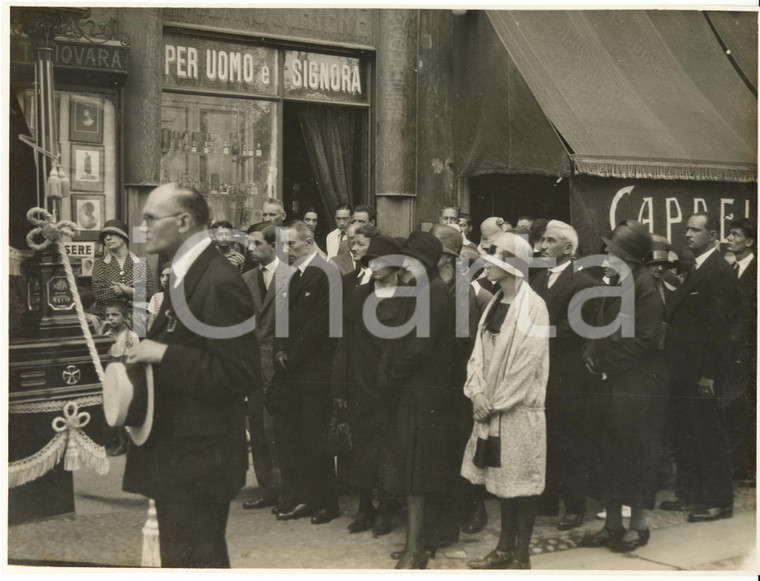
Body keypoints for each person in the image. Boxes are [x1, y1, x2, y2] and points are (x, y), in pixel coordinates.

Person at [123, 183, 260, 568]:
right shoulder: (186, 273)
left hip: (200, 461)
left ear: (183, 221)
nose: (143, 226)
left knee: (198, 561)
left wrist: (163, 352)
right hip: (181, 456)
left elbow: (240, 372)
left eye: (151, 218)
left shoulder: (218, 280)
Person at [462, 231, 549, 570]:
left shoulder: (534, 308)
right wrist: (477, 392)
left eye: (495, 259)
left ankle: (521, 556)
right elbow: (478, 357)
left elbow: (526, 365)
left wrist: (493, 402)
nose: (487, 265)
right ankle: (502, 549)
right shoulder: (496, 302)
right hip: (491, 408)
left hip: (517, 410)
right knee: (500, 484)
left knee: (522, 484)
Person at [579, 220, 667, 553]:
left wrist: (606, 366)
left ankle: (638, 526)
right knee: (608, 453)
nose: (605, 254)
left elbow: (644, 339)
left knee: (635, 454)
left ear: (627, 255)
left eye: (612, 250)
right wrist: (591, 354)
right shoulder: (617, 281)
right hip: (611, 383)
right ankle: (612, 524)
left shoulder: (644, 285)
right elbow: (599, 326)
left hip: (635, 385)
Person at [380, 231, 459, 569]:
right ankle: (420, 542)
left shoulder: (434, 292)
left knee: (418, 473)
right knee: (416, 471)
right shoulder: (421, 289)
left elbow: (418, 348)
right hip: (415, 389)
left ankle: (416, 549)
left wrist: (392, 378)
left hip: (424, 391)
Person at [662, 213, 742, 523]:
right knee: (686, 434)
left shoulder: (717, 271)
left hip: (701, 373)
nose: (688, 234)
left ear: (713, 235)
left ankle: (718, 501)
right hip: (684, 370)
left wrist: (710, 373)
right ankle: (691, 494)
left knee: (708, 435)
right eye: (686, 229)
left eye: (696, 229)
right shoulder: (698, 267)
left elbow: (720, 328)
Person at [331, 235, 406, 536]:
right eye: (369, 261)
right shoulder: (357, 297)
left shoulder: (408, 299)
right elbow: (343, 346)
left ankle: (388, 507)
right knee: (359, 449)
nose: (373, 267)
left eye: (380, 262)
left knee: (389, 450)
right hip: (360, 384)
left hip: (392, 387)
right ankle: (364, 507)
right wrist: (339, 388)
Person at [270, 221, 341, 525]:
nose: (286, 251)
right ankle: (303, 498)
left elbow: (322, 323)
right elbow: (282, 319)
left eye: (292, 246)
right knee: (294, 438)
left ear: (310, 240)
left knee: (315, 439)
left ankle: (326, 502)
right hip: (291, 369)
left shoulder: (327, 273)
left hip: (314, 370)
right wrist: (280, 352)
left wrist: (292, 356)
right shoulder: (292, 275)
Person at [530, 220, 597, 531]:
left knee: (570, 440)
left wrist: (533, 334)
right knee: (546, 436)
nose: (542, 246)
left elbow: (573, 330)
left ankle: (574, 506)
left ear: (568, 248)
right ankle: (547, 498)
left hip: (567, 375)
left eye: (550, 241)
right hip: (542, 371)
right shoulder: (539, 279)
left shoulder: (582, 283)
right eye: (542, 240)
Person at [241, 222, 295, 512]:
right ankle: (267, 489)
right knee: (258, 430)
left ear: (273, 247)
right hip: (252, 364)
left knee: (280, 429)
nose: (251, 249)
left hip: (280, 364)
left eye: (256, 244)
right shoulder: (247, 278)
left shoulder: (292, 277)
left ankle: (288, 489)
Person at [725, 217, 757, 484]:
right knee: (737, 409)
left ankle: (750, 469)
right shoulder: (732, 270)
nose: (730, 239)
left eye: (735, 235)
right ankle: (739, 465)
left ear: (749, 241)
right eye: (730, 235)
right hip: (734, 353)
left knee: (750, 410)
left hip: (751, 352)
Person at [91, 219, 155, 331]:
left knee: (139, 343)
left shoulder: (138, 262)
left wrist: (127, 290)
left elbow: (149, 292)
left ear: (123, 237)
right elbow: (99, 294)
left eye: (112, 234)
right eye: (105, 236)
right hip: (109, 317)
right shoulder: (101, 264)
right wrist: (131, 292)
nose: (108, 238)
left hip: (137, 317)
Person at [342, 223, 379, 293]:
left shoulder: (381, 279)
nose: (353, 248)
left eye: (360, 244)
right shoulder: (347, 280)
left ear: (373, 246)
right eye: (354, 244)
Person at [147, 262, 171, 332]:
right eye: (162, 276)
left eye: (168, 276)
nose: (164, 279)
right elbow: (150, 328)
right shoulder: (156, 298)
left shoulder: (184, 297)